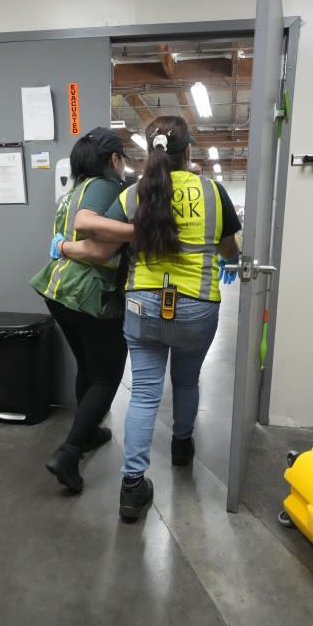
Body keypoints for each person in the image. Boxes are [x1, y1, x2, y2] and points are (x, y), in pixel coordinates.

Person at [59, 116, 241, 522]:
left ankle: (131, 487)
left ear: (151, 152)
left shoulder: (134, 193)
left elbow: (92, 230)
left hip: (142, 305)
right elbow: (230, 252)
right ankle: (181, 446)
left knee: (143, 393)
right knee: (187, 380)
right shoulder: (213, 192)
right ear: (188, 151)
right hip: (197, 304)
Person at [28, 127, 133, 494]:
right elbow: (99, 248)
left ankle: (85, 434)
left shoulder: (72, 190)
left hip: (57, 291)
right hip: (87, 294)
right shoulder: (106, 186)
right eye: (123, 160)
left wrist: (65, 249)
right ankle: (70, 452)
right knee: (107, 376)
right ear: (114, 160)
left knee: (89, 368)